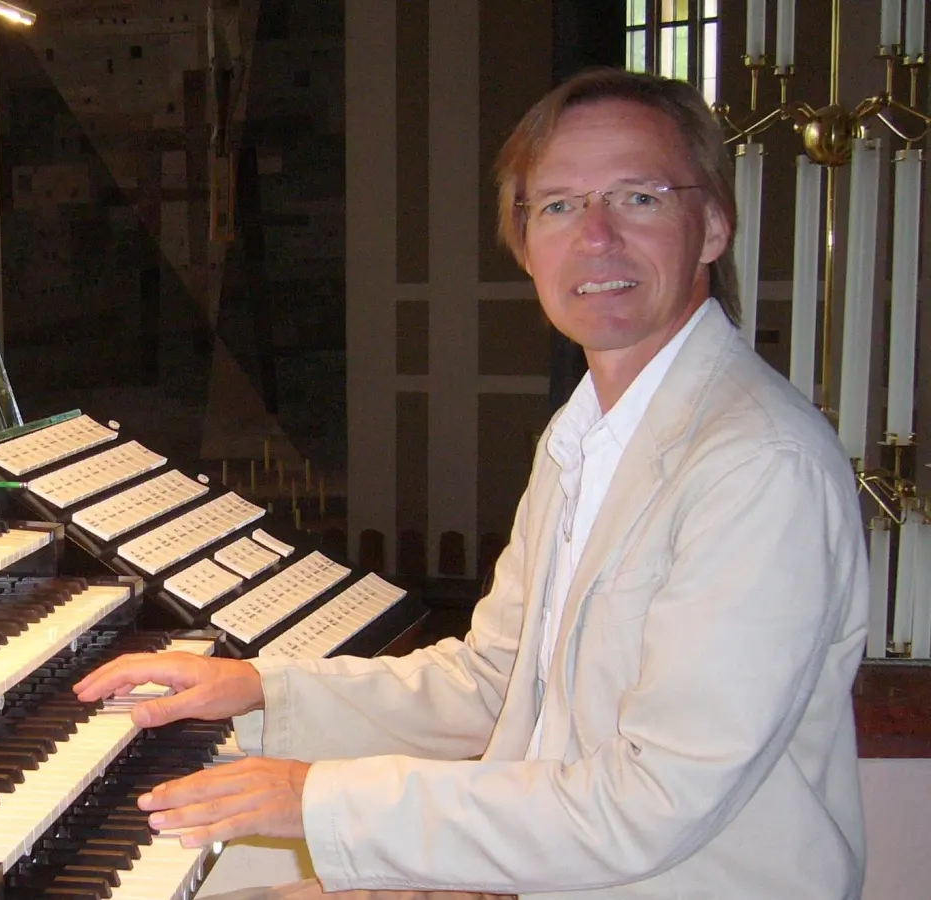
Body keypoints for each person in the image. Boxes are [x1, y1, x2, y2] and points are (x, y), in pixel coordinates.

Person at [74, 68, 869, 900]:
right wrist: (258, 691)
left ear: (711, 226)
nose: (595, 236)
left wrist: (317, 798)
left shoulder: (758, 464)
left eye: (638, 197)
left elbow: (651, 803)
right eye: (558, 206)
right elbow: (494, 682)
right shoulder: (587, 436)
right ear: (524, 243)